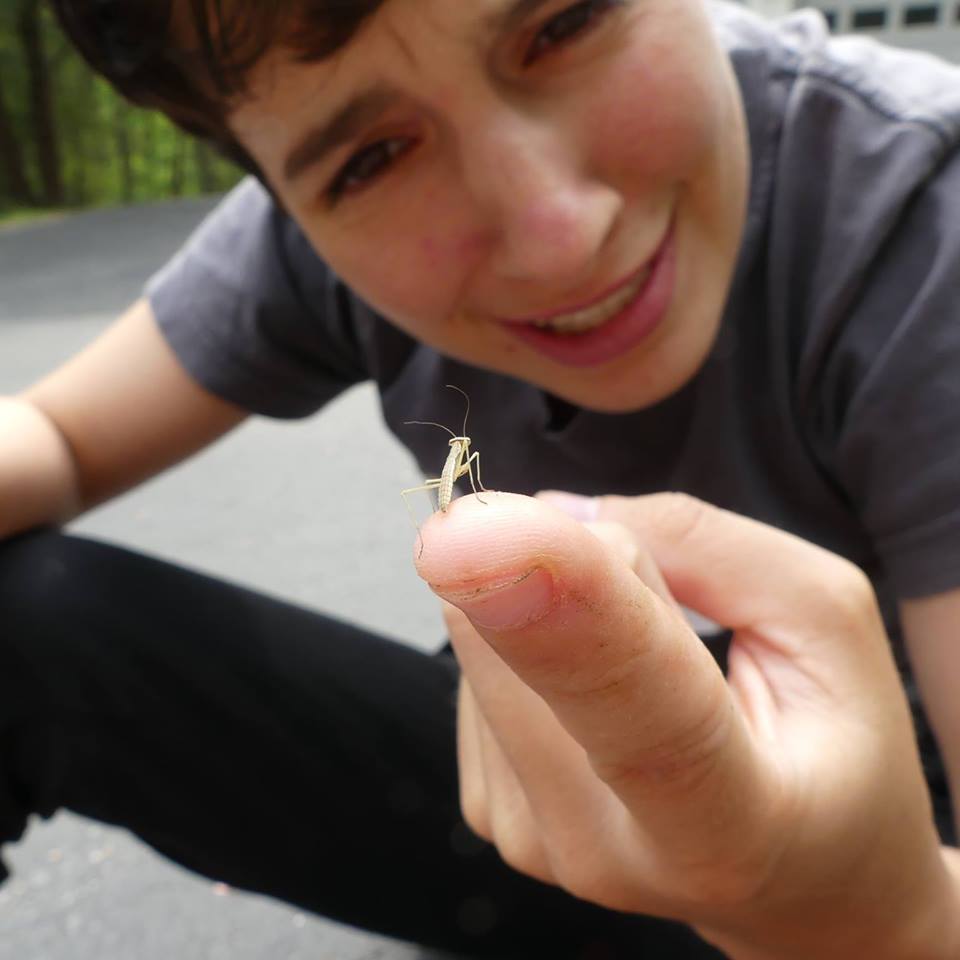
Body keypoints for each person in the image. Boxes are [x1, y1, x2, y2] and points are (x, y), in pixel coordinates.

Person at [2, 0, 959, 955]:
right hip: (546, 778)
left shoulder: (923, 216)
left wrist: (881, 911)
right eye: (371, 159)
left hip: (885, 839)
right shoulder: (311, 248)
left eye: (568, 22)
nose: (561, 236)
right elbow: (55, 433)